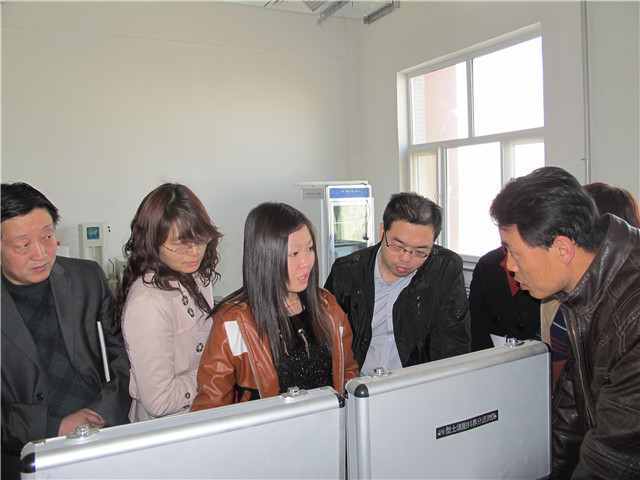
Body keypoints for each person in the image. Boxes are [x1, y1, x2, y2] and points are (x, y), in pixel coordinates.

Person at [489, 166, 640, 479]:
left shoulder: (632, 310)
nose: (510, 265)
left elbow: (614, 456)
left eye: (514, 252)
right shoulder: (589, 285)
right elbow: (571, 409)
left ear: (562, 249)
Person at [1, 182, 131, 478]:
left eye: (47, 237)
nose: (40, 254)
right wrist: (53, 426)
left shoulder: (86, 278)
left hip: (102, 436)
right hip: (26, 458)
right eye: (23, 245)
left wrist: (103, 411)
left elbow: (123, 353)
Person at [191, 202, 358, 410]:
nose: (307, 262)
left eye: (309, 248)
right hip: (267, 430)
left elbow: (348, 370)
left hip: (330, 426)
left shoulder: (327, 306)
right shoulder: (233, 322)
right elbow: (210, 405)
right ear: (265, 258)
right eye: (294, 254)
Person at [324, 192, 470, 375]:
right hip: (357, 382)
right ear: (382, 231)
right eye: (397, 246)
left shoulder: (444, 269)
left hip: (414, 383)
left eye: (420, 251)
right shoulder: (347, 271)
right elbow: (326, 339)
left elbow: (453, 343)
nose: (405, 258)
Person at [114, 183, 222, 422]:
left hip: (202, 412)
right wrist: (218, 370)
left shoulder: (195, 275)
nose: (194, 252)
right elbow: (160, 401)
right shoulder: (148, 303)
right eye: (180, 245)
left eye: (200, 240)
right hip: (168, 427)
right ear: (152, 243)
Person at [469, 246, 540, 351]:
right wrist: (486, 356)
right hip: (495, 351)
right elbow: (476, 320)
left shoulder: (544, 263)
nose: (511, 265)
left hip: (537, 352)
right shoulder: (487, 263)